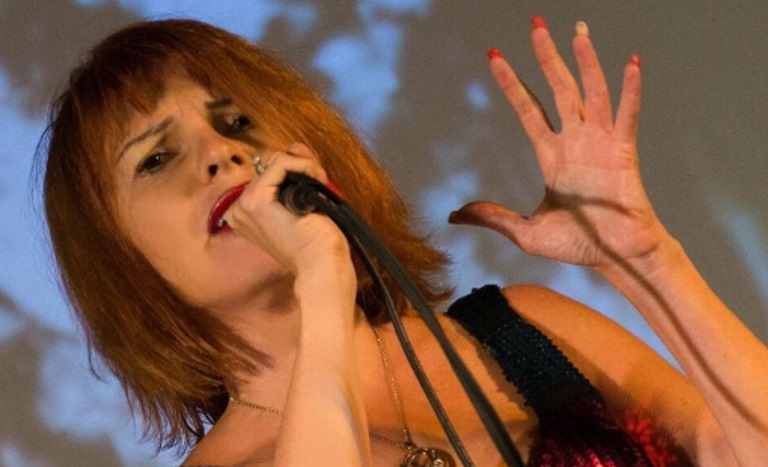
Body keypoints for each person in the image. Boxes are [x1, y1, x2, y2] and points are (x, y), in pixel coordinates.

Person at [39, 14, 767, 467]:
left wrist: (647, 260)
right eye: (156, 158)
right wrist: (320, 281)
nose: (221, 153)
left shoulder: (522, 329)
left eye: (236, 122)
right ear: (118, 260)